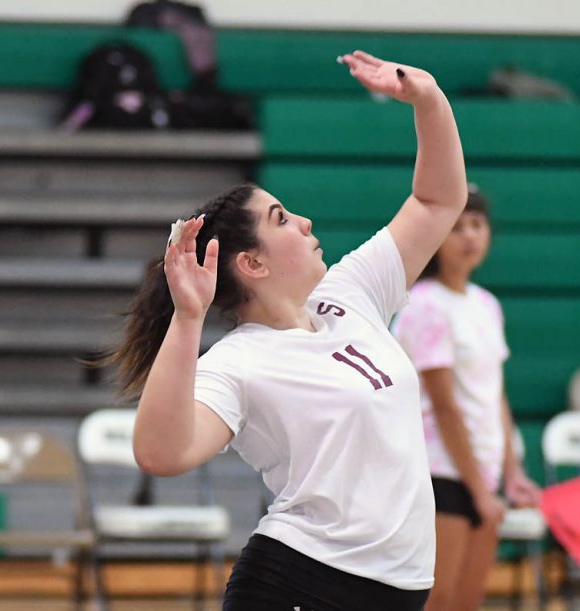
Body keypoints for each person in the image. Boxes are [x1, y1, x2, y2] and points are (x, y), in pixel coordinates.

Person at [106, 51, 468, 611]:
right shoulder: (238, 361)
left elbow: (439, 200)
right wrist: (187, 317)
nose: (304, 222)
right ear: (252, 263)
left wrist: (429, 100)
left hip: (396, 593)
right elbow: (160, 453)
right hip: (301, 585)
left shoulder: (351, 292)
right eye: (282, 219)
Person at [392, 186, 541, 611]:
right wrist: (479, 490)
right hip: (439, 471)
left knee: (466, 601)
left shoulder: (486, 305)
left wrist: (511, 471)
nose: (470, 235)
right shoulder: (424, 306)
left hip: (483, 474)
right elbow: (444, 406)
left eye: (477, 224)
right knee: (436, 599)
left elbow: (495, 395)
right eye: (457, 227)